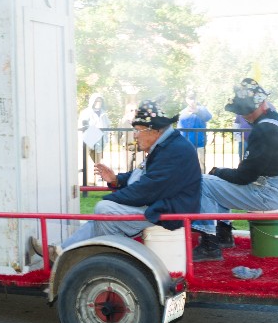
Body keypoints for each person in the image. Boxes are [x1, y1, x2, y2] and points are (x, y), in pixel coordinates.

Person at [41, 100, 202, 260]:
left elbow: (148, 188)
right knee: (103, 215)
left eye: (138, 130)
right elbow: (142, 176)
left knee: (104, 209)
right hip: (160, 206)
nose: (135, 135)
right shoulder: (168, 145)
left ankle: (112, 261)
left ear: (154, 130)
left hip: (168, 212)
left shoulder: (174, 150)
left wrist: (112, 198)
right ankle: (63, 253)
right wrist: (116, 180)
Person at [191, 79, 278, 261]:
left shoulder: (263, 130)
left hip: (268, 194)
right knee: (218, 182)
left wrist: (218, 171)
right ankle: (223, 234)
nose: (244, 116)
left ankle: (210, 244)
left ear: (258, 106)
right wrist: (222, 174)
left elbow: (243, 177)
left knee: (202, 183)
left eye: (245, 111)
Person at [178, 93, 213, 172]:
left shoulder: (202, 109)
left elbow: (208, 117)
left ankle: (202, 181)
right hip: (186, 144)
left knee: (201, 165)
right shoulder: (183, 112)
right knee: (186, 165)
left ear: (196, 99)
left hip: (199, 143)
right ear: (186, 100)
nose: (192, 100)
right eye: (190, 98)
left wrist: (197, 111)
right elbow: (180, 128)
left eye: (193, 98)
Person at [78, 93, 111, 172]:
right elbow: (81, 125)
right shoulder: (86, 112)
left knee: (98, 159)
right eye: (96, 101)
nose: (98, 103)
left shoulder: (104, 113)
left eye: (100, 101)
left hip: (100, 138)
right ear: (92, 102)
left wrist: (106, 138)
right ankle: (85, 176)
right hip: (89, 137)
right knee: (85, 158)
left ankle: (98, 175)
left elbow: (107, 125)